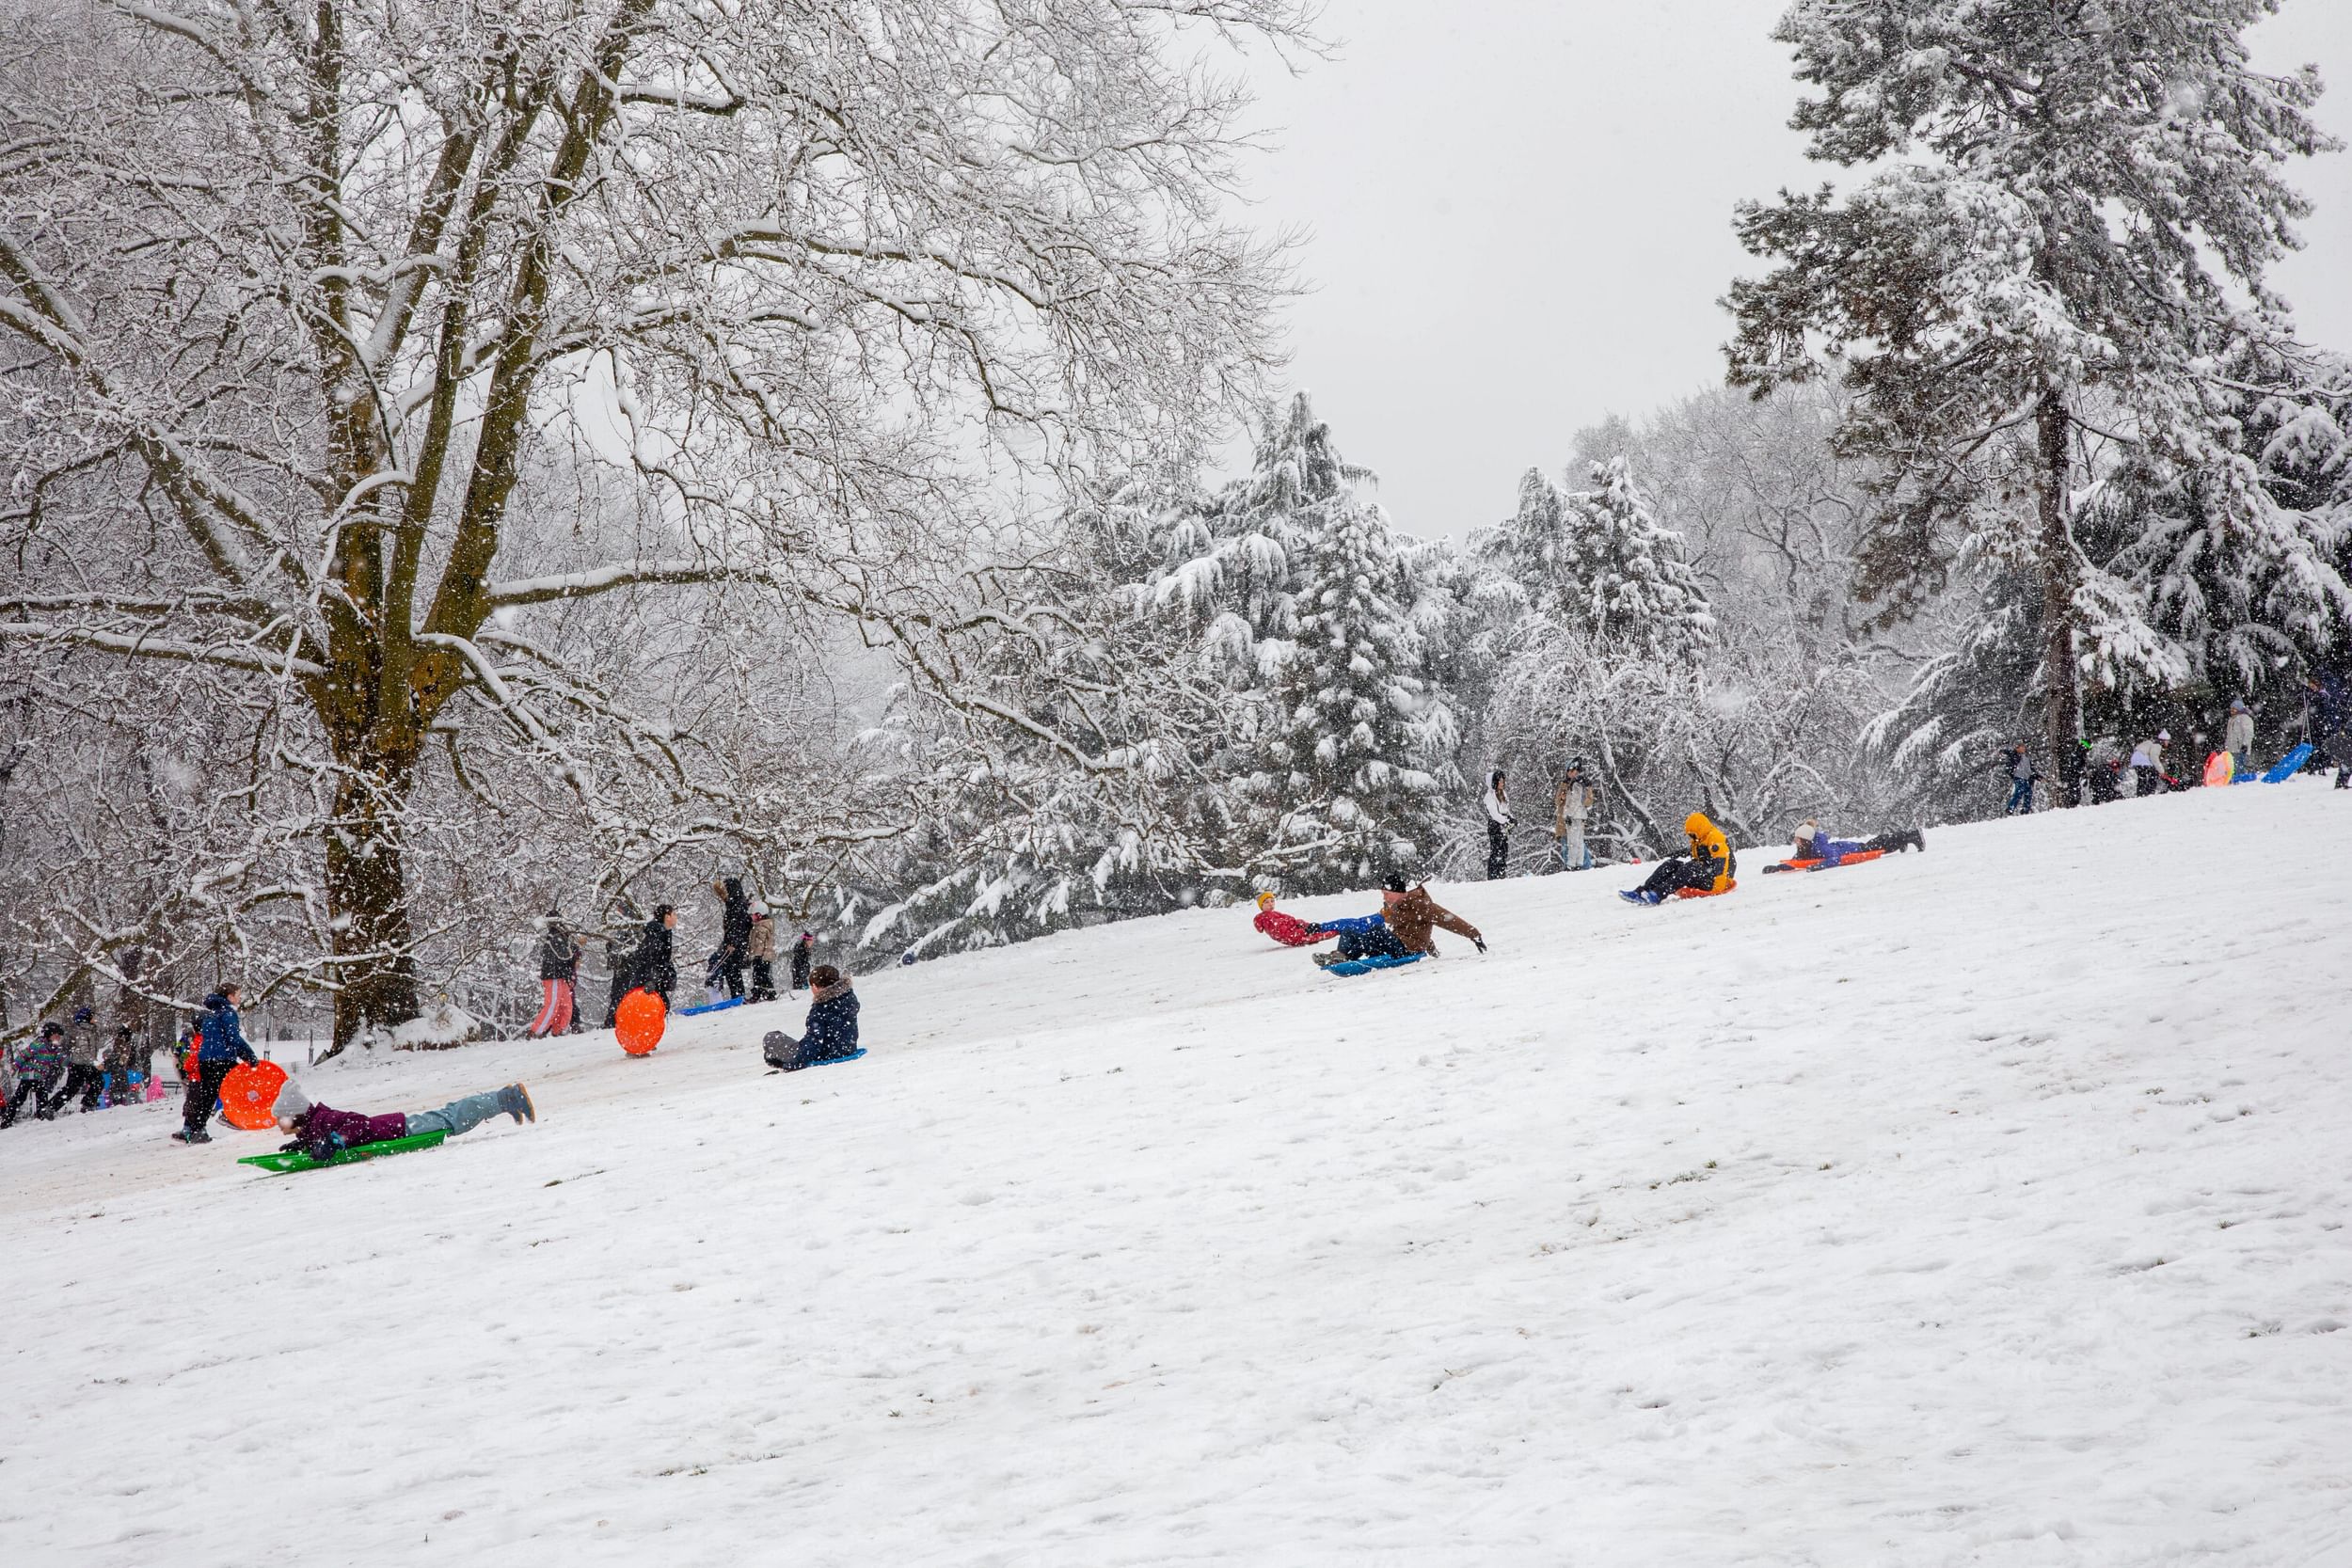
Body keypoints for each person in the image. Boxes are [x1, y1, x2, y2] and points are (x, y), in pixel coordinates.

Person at [273, 1077, 533, 1162]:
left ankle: (506, 1097)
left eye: (280, 1119)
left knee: (453, 1118)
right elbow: (322, 1137)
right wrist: (304, 1144)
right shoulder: (314, 1123)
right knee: (452, 1117)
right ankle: (505, 1102)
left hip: (400, 1130)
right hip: (396, 1128)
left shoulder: (324, 1118)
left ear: (295, 1115)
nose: (277, 1124)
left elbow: (358, 1123)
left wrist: (336, 1141)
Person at [1314, 876, 1486, 966]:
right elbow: (1419, 929)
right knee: (1351, 931)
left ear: (1399, 892)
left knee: (1377, 930)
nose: (1385, 897)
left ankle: (1345, 957)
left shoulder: (1421, 904)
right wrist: (1431, 947)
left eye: (1387, 894)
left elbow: (1448, 919)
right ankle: (1340, 957)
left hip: (1407, 949)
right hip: (1394, 945)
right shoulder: (1395, 907)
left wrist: (1474, 935)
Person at [174, 984, 258, 1144]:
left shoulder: (210, 1014)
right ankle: (231, 1116)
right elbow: (233, 1038)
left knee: (208, 1095)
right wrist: (249, 1055)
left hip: (206, 1060)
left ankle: (197, 1129)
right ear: (230, 997)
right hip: (222, 1059)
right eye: (238, 995)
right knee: (240, 1084)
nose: (240, 998)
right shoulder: (228, 1013)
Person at [1619, 812, 1735, 906]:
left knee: (1691, 867)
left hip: (1717, 880)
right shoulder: (1700, 839)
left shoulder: (1715, 838)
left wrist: (1717, 888)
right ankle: (1641, 892)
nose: (1691, 836)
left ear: (1700, 829)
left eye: (1692, 834)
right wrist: (1672, 855)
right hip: (1705, 874)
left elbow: (1722, 863)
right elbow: (1694, 853)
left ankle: (1658, 894)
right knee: (1672, 864)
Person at [763, 965, 861, 1070]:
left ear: (814, 986)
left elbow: (814, 1041)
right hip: (846, 1049)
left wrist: (792, 1065)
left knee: (771, 1038)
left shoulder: (821, 1008)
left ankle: (774, 1059)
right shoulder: (848, 999)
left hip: (825, 1054)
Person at [1773, 819, 1924, 869]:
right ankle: (1902, 841)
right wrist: (1779, 867)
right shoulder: (1804, 850)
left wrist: (1820, 865)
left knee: (1880, 846)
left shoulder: (1820, 847)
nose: (1796, 842)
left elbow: (1834, 858)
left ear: (1805, 840)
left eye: (1798, 839)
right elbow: (1796, 862)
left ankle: (1912, 836)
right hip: (1845, 847)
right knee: (1882, 845)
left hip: (1852, 849)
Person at [44, 1005, 108, 1116]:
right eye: (92, 1017)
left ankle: (86, 1105)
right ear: (87, 1018)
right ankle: (50, 1108)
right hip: (79, 1066)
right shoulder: (83, 1032)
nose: (94, 1019)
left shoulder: (91, 1031)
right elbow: (84, 1050)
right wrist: (95, 1063)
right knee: (72, 1089)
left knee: (96, 1083)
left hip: (86, 1065)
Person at [527, 910, 582, 1038]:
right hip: (554, 976)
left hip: (561, 976)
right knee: (552, 1005)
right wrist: (573, 956)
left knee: (566, 1006)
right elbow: (564, 956)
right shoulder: (554, 938)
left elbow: (567, 955)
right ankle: (536, 1031)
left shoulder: (561, 937)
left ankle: (559, 1029)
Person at [3, 1025, 67, 1128]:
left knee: (42, 1096)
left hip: (40, 1076)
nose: (58, 1037)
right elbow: (24, 1055)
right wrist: (14, 1066)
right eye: (56, 1035)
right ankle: (7, 1119)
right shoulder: (38, 1044)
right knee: (20, 1097)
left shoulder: (54, 1049)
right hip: (29, 1075)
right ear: (49, 1035)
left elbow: (61, 1059)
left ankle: (40, 1117)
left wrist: (70, 1064)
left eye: (59, 1036)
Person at [628, 905, 679, 1007]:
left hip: (651, 980)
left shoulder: (661, 933)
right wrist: (651, 980)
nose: (676, 917)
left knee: (662, 1005)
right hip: (647, 982)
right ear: (667, 917)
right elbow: (653, 959)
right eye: (674, 914)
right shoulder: (658, 935)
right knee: (660, 1006)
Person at [1553, 759, 1597, 872]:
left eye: (1575, 771)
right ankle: (1571, 868)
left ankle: (1583, 868)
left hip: (1576, 818)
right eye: (1571, 771)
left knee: (1578, 844)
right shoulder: (1564, 784)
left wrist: (1588, 788)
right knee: (1567, 846)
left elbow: (1588, 802)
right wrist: (1563, 795)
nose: (1573, 774)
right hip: (1564, 821)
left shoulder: (1582, 785)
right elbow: (1558, 802)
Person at [713, 878, 753, 1002]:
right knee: (731, 969)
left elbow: (738, 926)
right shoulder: (737, 903)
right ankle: (737, 996)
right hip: (737, 942)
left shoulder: (737, 904)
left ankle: (737, 996)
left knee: (732, 969)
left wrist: (732, 943)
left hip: (736, 944)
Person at [1253, 892, 1334, 947]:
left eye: (1272, 901)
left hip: (1298, 933)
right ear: (1261, 905)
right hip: (1296, 937)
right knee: (1330, 932)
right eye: (1267, 902)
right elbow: (1284, 934)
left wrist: (1304, 925)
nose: (1270, 904)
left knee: (1324, 929)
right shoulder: (1266, 918)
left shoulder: (1274, 914)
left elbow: (1291, 922)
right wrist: (1306, 931)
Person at [1482, 769, 1513, 879]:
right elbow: (1494, 814)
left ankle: (1501, 874)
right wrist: (1505, 820)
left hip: (1503, 827)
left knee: (1504, 851)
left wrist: (1511, 818)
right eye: (1500, 781)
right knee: (1496, 852)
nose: (1502, 783)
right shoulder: (1489, 797)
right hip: (1495, 828)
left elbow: (1506, 809)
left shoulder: (1502, 794)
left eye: (1503, 780)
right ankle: (1493, 876)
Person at [746, 901, 778, 1003]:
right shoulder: (761, 926)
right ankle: (763, 992)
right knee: (761, 975)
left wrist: (756, 956)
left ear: (759, 915)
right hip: (764, 956)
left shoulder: (761, 928)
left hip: (762, 956)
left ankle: (764, 993)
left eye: (753, 915)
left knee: (760, 975)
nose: (752, 917)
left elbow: (759, 944)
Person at [1999, 743, 2036, 816]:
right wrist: (2002, 751)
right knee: (2019, 792)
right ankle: (2010, 808)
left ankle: (2025, 810)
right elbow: (2008, 752)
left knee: (2028, 793)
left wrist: (2038, 777)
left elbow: (2031, 770)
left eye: (2024, 747)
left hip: (2027, 778)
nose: (2024, 749)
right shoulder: (2014, 755)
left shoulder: (2026, 759)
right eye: (2022, 747)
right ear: (2017, 748)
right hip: (2018, 777)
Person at [2129, 731, 2169, 796]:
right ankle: (2150, 793)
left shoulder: (2151, 742)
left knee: (2142, 777)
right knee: (2154, 774)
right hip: (2143, 760)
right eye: (2167, 741)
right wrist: (2162, 771)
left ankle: (2140, 794)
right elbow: (2154, 758)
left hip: (2135, 760)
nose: (2168, 743)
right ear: (2163, 740)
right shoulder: (2157, 745)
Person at [2223, 698, 2254, 774]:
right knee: (2232, 769)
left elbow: (2248, 732)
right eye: (2231, 709)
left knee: (2240, 768)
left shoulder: (2244, 718)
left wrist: (2245, 744)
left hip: (2240, 749)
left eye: (2234, 709)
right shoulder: (2231, 719)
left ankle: (2242, 781)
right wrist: (2227, 746)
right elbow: (2229, 735)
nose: (2232, 711)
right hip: (2231, 750)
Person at [789, 930, 816, 995]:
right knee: (799, 990)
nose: (812, 943)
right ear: (806, 941)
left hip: (801, 973)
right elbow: (801, 965)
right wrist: (804, 979)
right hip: (799, 974)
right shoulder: (801, 949)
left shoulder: (805, 948)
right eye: (811, 941)